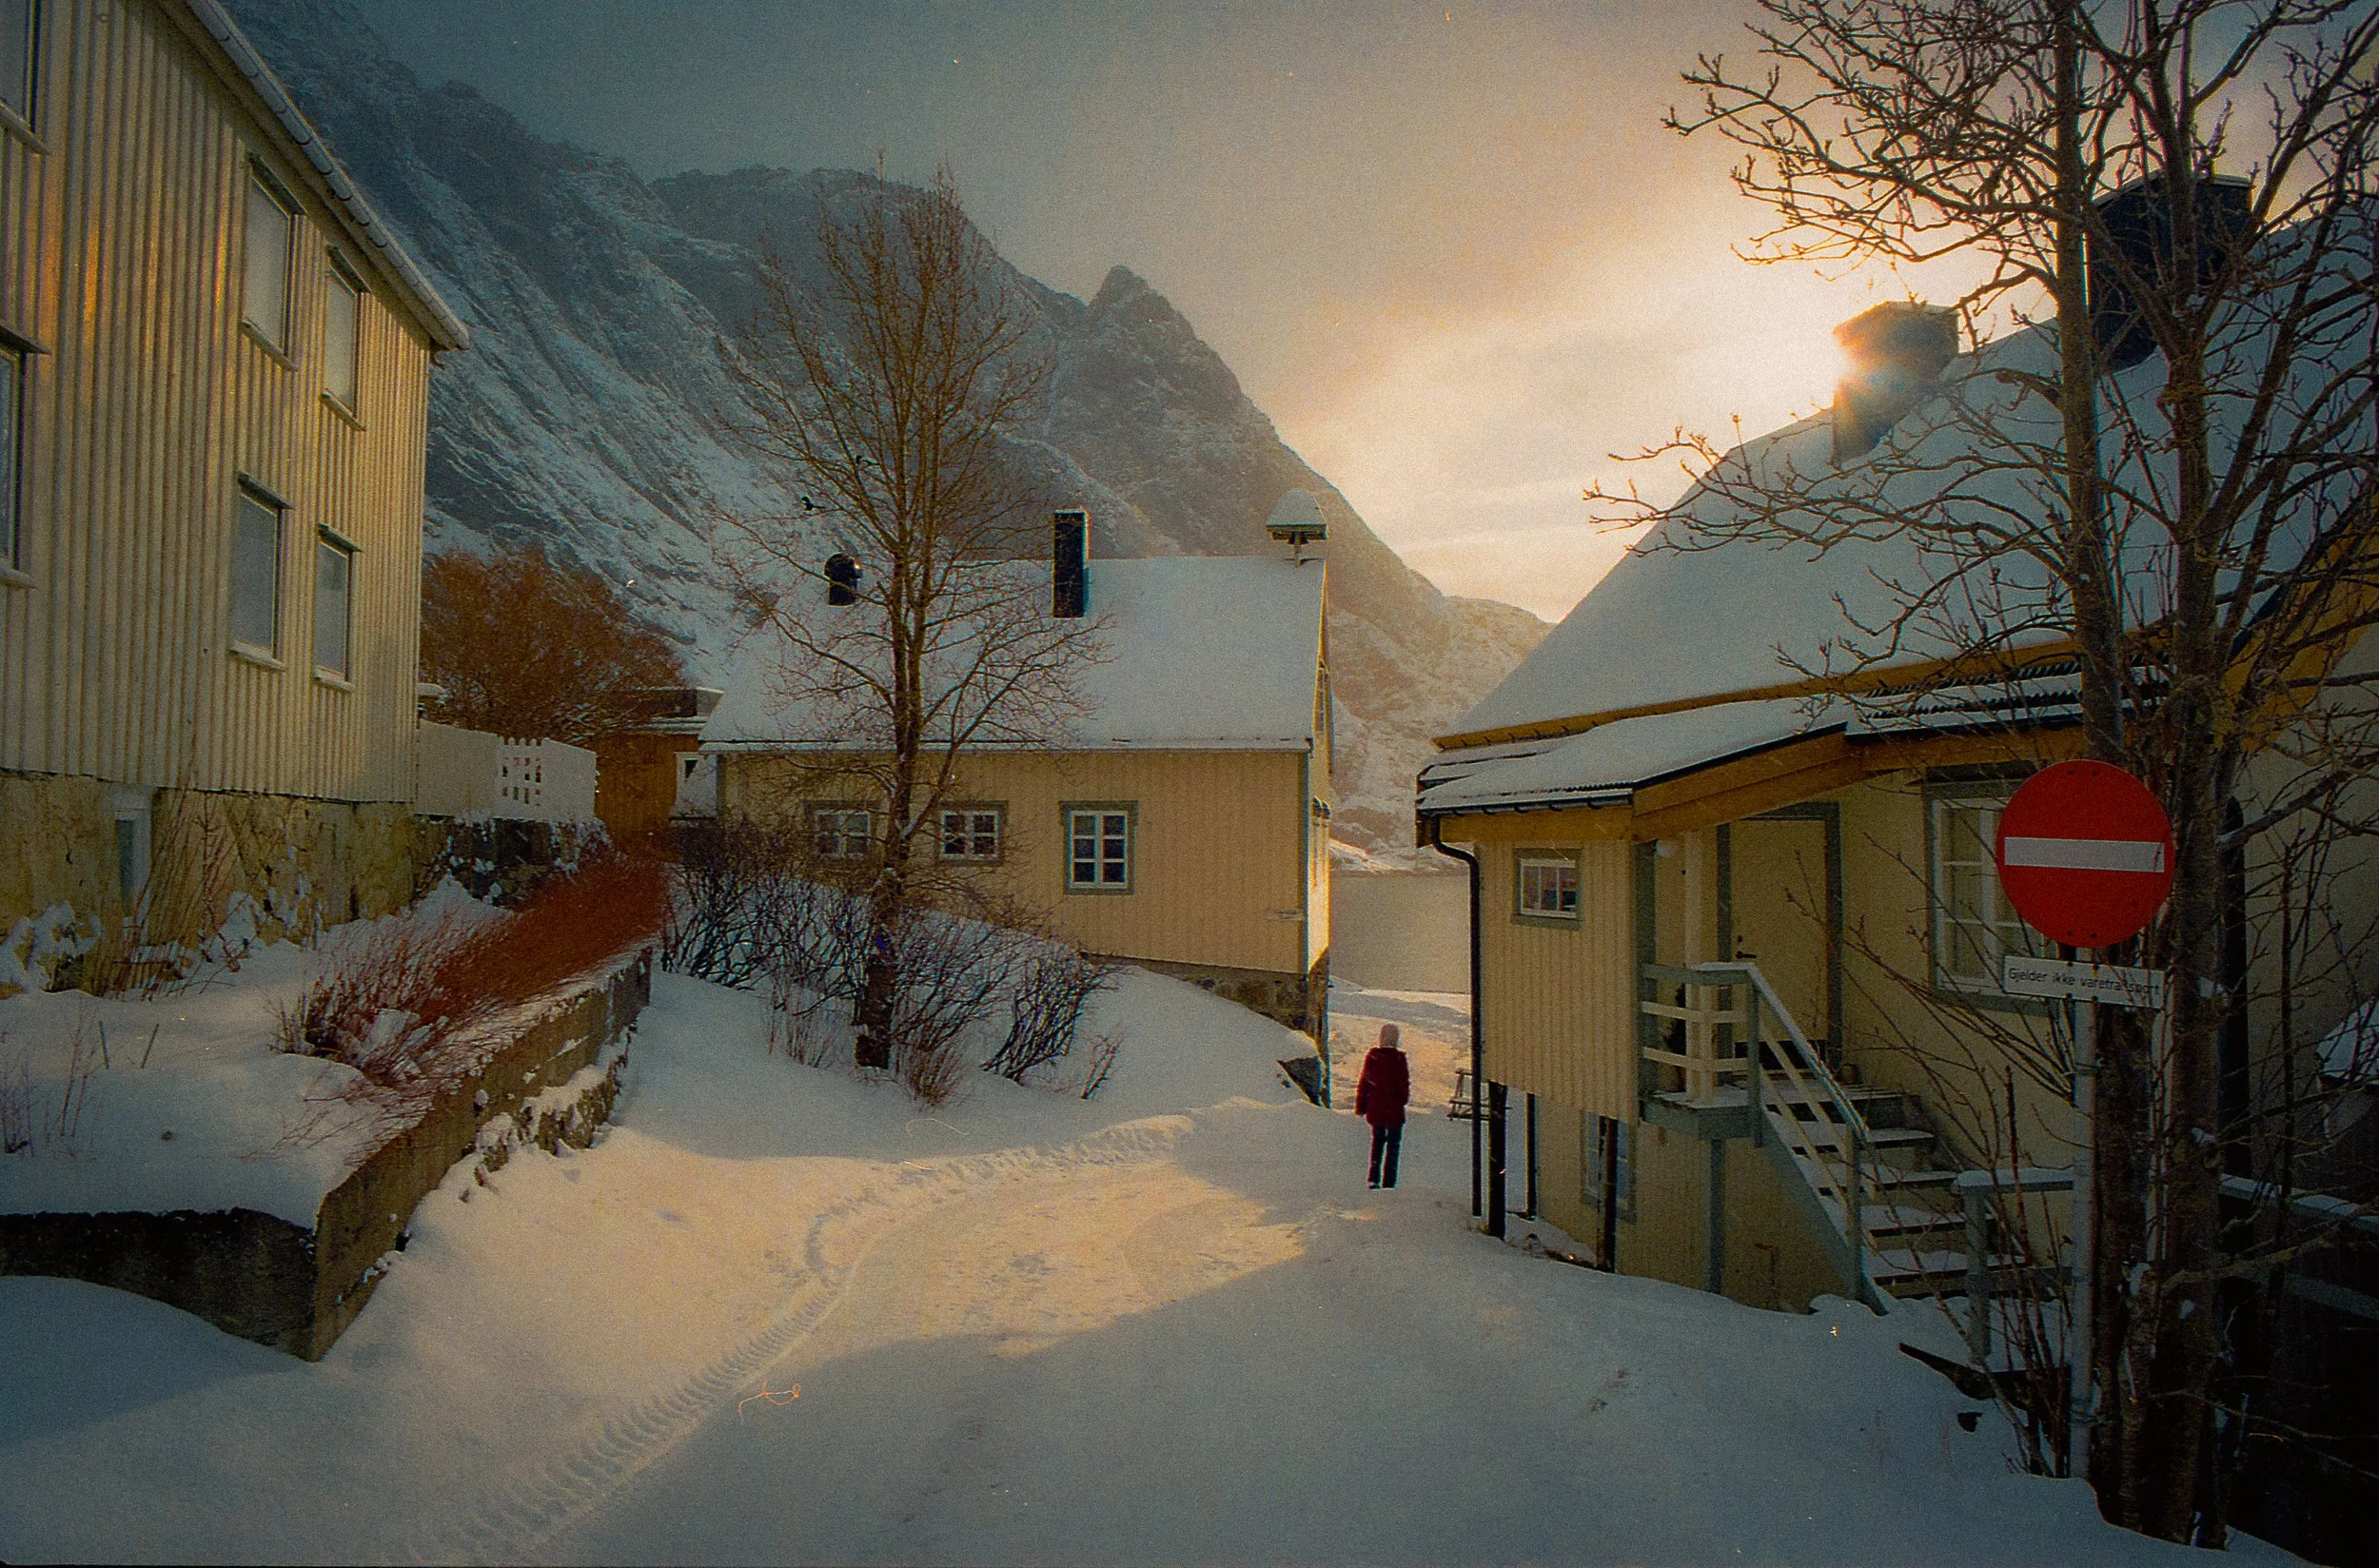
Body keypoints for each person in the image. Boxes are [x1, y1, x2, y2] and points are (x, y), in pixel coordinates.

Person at [1354, 1023, 1411, 1189]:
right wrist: (1402, 1099)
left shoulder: (1372, 1057)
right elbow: (1403, 1084)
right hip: (1393, 1110)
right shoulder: (1399, 1059)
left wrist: (1361, 1106)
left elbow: (1364, 1083)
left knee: (1377, 1142)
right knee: (1393, 1145)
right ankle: (1389, 1181)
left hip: (1376, 1108)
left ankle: (1374, 1177)